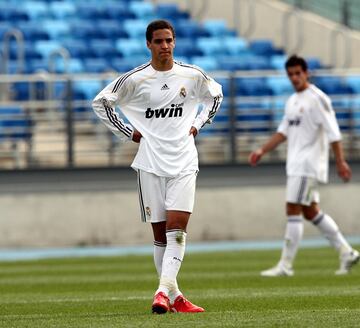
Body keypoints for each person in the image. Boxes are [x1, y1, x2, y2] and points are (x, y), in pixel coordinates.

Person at [92, 20, 223, 313]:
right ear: (148, 44)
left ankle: (161, 292)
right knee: (160, 234)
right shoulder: (135, 79)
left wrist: (199, 123)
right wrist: (128, 132)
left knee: (177, 230)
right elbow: (101, 103)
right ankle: (174, 296)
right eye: (159, 41)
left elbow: (216, 95)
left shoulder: (191, 75)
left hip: (185, 162)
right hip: (150, 164)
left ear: (175, 42)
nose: (165, 46)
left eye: (169, 40)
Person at [248, 55, 359, 277]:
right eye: (291, 75)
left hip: (307, 164)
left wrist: (340, 160)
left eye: (298, 73)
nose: (295, 78)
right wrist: (262, 150)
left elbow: (333, 132)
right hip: (296, 163)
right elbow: (283, 132)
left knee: (292, 208)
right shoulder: (292, 101)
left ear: (306, 73)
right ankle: (346, 252)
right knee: (310, 211)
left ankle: (285, 265)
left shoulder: (318, 99)